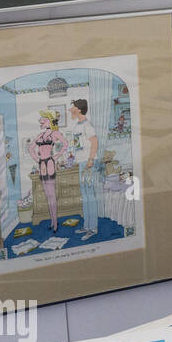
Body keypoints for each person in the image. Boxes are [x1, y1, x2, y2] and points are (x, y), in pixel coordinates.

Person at [28, 110, 68, 234]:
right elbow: (31, 149)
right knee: (48, 195)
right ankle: (52, 221)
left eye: (43, 119)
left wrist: (56, 156)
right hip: (42, 166)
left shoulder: (55, 133)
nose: (40, 121)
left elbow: (65, 144)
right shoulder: (40, 135)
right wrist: (37, 159)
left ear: (49, 121)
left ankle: (55, 223)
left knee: (52, 196)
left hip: (50, 164)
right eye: (40, 119)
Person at [68, 99, 101, 239]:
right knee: (85, 196)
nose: (70, 110)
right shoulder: (77, 126)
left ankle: (93, 228)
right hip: (81, 162)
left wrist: (91, 160)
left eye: (73, 108)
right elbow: (78, 145)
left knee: (90, 196)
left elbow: (94, 142)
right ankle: (87, 225)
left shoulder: (87, 125)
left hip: (88, 163)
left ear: (79, 110)